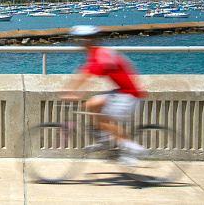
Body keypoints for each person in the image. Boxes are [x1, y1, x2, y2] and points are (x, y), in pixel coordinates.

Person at [60, 25, 148, 164]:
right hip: (122, 91)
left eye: (80, 39)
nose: (78, 43)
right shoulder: (96, 53)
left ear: (87, 40)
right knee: (89, 105)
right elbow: (84, 73)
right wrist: (75, 91)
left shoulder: (100, 54)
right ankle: (102, 140)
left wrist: (72, 91)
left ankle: (132, 146)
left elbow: (86, 76)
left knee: (102, 120)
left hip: (129, 94)